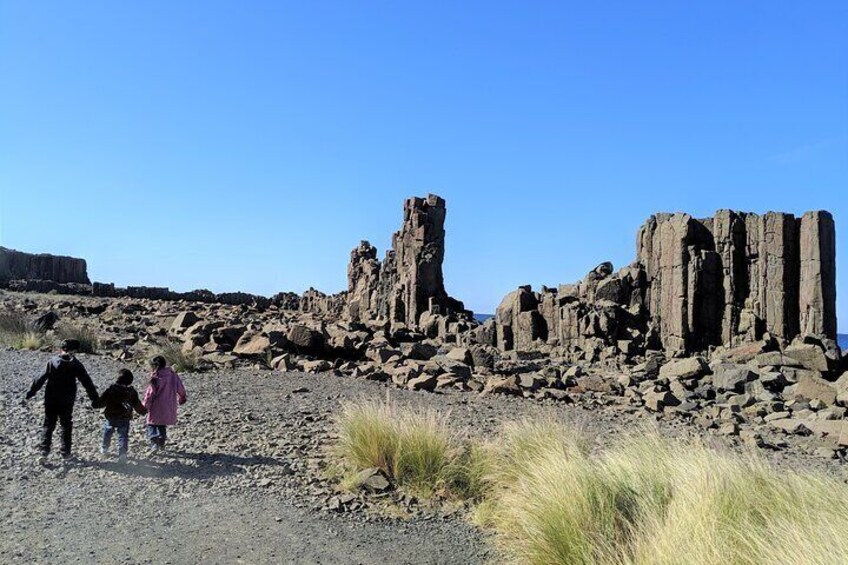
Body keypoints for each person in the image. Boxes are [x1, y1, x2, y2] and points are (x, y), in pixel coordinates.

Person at [25, 338, 99, 464]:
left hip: (51, 399)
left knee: (48, 424)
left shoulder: (52, 362)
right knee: (66, 425)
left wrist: (30, 393)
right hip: (67, 400)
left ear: (61, 349)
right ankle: (66, 453)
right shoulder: (76, 364)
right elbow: (87, 382)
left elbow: (40, 379)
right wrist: (95, 399)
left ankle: (44, 452)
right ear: (74, 351)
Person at [92, 368, 147, 463]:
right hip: (124, 417)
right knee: (123, 436)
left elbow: (102, 401)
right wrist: (143, 411)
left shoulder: (111, 389)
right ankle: (122, 454)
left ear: (117, 379)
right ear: (130, 380)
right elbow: (137, 404)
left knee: (108, 431)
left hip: (111, 415)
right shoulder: (131, 392)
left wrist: (95, 404)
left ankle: (104, 448)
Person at [142, 355, 187, 453]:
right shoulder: (173, 375)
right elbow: (180, 387)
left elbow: (149, 394)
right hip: (169, 405)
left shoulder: (155, 377)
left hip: (156, 406)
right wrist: (182, 397)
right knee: (162, 424)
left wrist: (145, 406)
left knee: (152, 424)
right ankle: (161, 443)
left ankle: (154, 444)